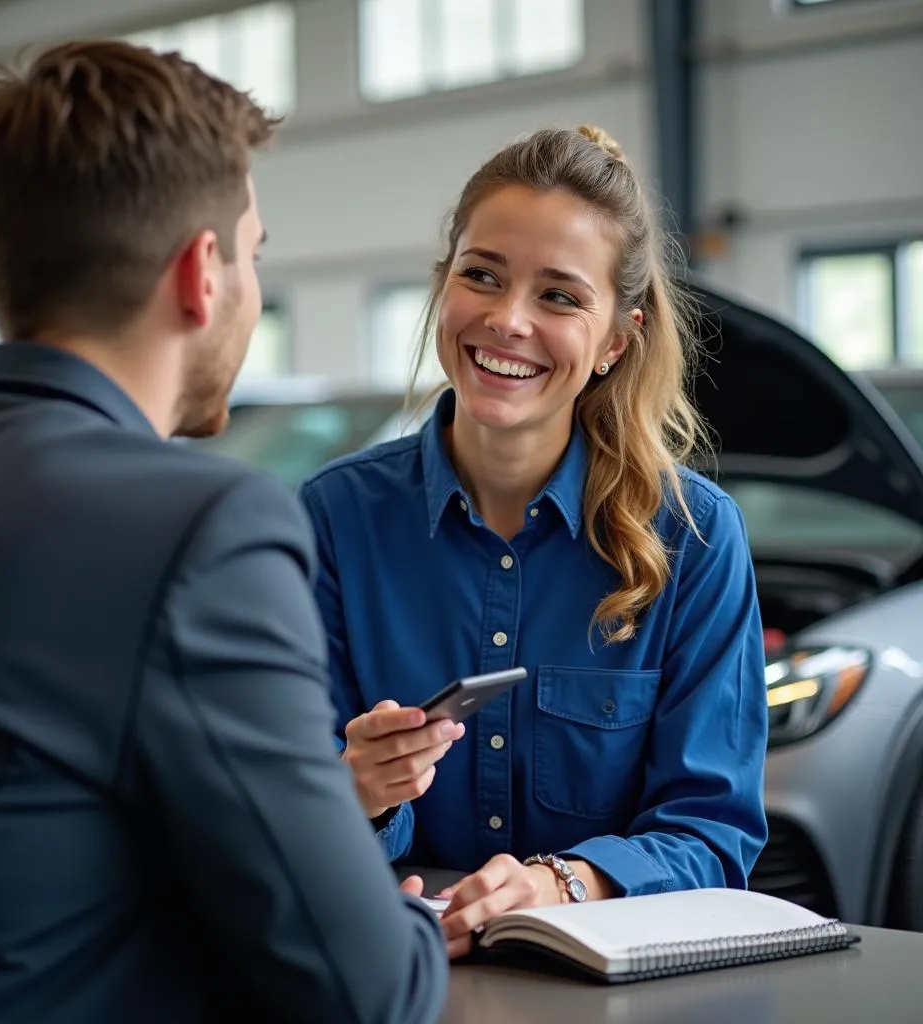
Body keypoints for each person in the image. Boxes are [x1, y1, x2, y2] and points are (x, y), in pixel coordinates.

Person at [0, 41, 447, 1023]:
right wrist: (399, 923)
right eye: (254, 253)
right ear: (202, 273)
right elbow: (365, 990)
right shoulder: (204, 528)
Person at [298, 125, 769, 959]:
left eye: (559, 296)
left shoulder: (693, 537)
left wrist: (562, 884)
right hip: (397, 979)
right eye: (482, 275)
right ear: (444, 286)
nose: (507, 320)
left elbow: (712, 830)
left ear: (615, 340)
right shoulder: (334, 519)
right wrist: (359, 794)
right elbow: (276, 814)